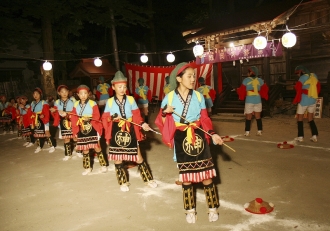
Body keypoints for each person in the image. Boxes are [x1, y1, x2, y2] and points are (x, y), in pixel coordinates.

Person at [155, 62, 223, 223]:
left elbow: (205, 118)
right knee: (186, 177)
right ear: (179, 78)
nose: (193, 79)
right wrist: (165, 112)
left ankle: (212, 208)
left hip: (198, 135)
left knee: (207, 175)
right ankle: (189, 210)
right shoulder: (169, 97)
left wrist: (212, 134)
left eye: (194, 76)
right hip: (181, 138)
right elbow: (161, 120)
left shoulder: (199, 96)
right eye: (189, 76)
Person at [102, 71, 157, 192]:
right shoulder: (110, 102)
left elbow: (137, 115)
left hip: (130, 129)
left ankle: (148, 179)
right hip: (116, 130)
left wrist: (142, 124)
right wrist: (111, 118)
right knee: (118, 158)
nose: (122, 89)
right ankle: (122, 182)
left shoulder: (131, 99)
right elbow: (104, 119)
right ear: (113, 87)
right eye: (119, 87)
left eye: (124, 86)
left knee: (138, 156)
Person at [70, 85, 107, 175]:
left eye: (85, 93)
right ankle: (87, 168)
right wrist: (75, 131)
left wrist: (89, 118)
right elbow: (74, 118)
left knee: (97, 147)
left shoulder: (92, 103)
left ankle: (103, 165)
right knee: (85, 148)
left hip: (92, 126)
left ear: (88, 94)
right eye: (81, 93)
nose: (83, 95)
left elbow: (97, 115)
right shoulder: (75, 104)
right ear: (78, 95)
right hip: (82, 128)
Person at [237, 66, 268, 136]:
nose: (247, 73)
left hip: (249, 101)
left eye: (249, 72)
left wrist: (237, 91)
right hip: (258, 100)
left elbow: (241, 90)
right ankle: (259, 131)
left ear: (251, 72)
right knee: (258, 117)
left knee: (248, 117)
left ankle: (247, 132)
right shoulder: (260, 80)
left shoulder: (246, 80)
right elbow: (265, 89)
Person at [293, 65, 321, 142]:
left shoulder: (302, 78)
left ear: (300, 71)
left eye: (297, 73)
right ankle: (314, 135)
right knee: (310, 118)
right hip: (313, 99)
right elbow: (318, 86)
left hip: (304, 100)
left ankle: (300, 136)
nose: (297, 75)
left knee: (300, 118)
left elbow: (298, 88)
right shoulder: (314, 75)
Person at [50, 85, 78, 161]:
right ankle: (68, 154)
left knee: (75, 137)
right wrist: (53, 111)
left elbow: (77, 111)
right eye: (62, 92)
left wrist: (67, 113)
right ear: (59, 93)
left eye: (66, 91)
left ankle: (78, 151)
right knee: (66, 138)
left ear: (68, 92)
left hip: (72, 120)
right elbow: (56, 114)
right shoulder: (57, 102)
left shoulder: (73, 100)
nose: (64, 93)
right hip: (63, 122)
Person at [30, 88, 56, 153]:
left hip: (43, 119)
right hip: (36, 119)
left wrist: (44, 116)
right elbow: (31, 112)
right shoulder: (32, 103)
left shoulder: (43, 102)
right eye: (34, 94)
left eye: (37, 94)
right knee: (37, 133)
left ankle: (52, 146)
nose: (35, 95)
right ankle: (39, 146)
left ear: (40, 95)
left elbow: (46, 112)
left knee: (47, 133)